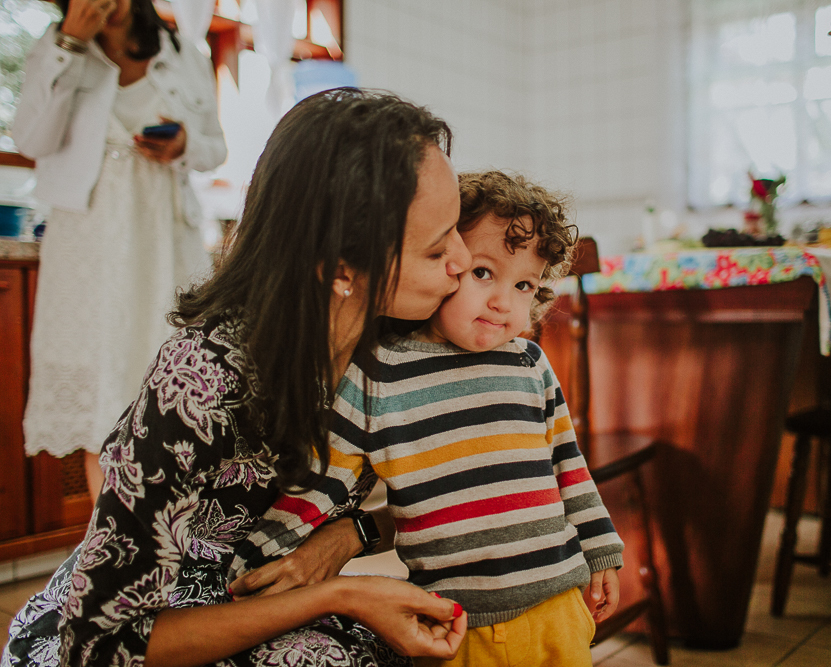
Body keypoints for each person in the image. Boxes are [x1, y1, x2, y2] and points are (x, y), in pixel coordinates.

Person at [2, 89, 474, 667]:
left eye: (456, 229)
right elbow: (103, 646)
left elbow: (458, 490)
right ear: (341, 267)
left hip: (267, 601)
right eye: (435, 249)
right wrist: (341, 594)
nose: (461, 260)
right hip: (146, 632)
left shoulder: (393, 347)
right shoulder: (200, 382)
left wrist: (352, 536)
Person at [230, 171, 624, 667]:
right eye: (483, 272)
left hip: (559, 608)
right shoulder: (379, 373)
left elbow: (569, 467)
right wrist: (261, 555)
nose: (503, 301)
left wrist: (602, 548)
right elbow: (323, 481)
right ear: (447, 262)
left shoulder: (529, 364)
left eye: (524, 284)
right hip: (454, 624)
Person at [12, 0, 228, 500]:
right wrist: (68, 43)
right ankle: (108, 552)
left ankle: (179, 543)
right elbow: (29, 138)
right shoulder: (55, 49)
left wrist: (184, 145)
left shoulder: (181, 52)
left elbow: (215, 147)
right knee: (105, 390)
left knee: (171, 376)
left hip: (165, 235)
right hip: (90, 243)